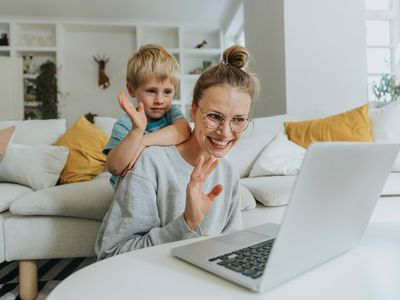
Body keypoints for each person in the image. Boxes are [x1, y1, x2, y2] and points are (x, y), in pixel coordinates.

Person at [95, 45, 260, 260]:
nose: (225, 132)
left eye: (238, 119)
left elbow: (233, 247)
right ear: (193, 109)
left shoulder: (228, 172)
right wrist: (187, 224)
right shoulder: (148, 163)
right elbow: (111, 255)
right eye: (214, 116)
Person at [104, 44, 191, 187]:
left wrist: (144, 141)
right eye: (151, 91)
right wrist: (136, 131)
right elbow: (114, 167)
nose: (160, 100)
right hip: (133, 190)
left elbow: (184, 130)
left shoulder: (171, 113)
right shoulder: (125, 124)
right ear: (131, 90)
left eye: (167, 92)